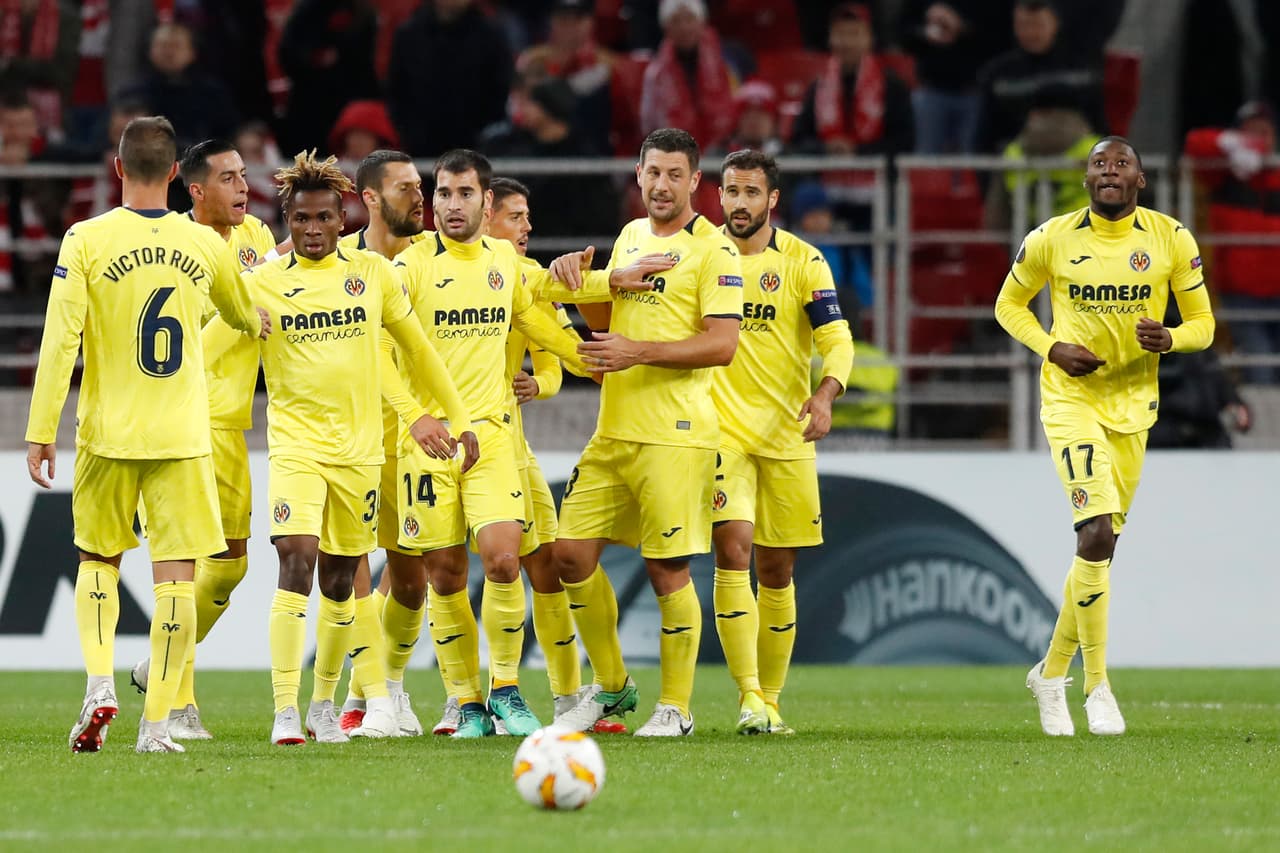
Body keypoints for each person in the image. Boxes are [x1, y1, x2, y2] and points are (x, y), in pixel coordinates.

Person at [203, 150, 475, 745]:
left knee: (338, 579)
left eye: (324, 218)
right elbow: (200, 353)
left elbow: (421, 351)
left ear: (342, 216)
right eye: (300, 220)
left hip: (360, 456)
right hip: (296, 450)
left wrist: (460, 419)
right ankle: (283, 709)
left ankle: (324, 703)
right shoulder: (260, 286)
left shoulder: (372, 277)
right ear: (287, 220)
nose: (312, 230)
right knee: (294, 560)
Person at [25, 115, 268, 754]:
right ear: (174, 176)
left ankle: (100, 683)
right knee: (177, 581)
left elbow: (59, 341)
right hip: (184, 436)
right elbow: (244, 314)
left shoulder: (85, 238)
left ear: (118, 169)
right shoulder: (206, 246)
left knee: (98, 561)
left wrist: (40, 430)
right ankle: (156, 723)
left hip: (108, 433)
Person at [995, 136, 1216, 737]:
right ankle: (1098, 688)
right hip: (1070, 401)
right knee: (1092, 531)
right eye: (1099, 164)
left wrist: (1171, 338)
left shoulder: (1171, 239)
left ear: (1140, 180)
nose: (1109, 171)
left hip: (1134, 406)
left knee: (1101, 549)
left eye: (1121, 164)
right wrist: (1051, 345)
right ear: (1086, 178)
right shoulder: (1052, 237)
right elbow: (1007, 306)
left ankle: (1049, 672)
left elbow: (1203, 325)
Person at [390, 149, 601, 738]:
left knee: (506, 560)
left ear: (486, 201)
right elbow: (380, 353)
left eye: (464, 194)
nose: (452, 206)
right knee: (444, 574)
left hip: (492, 437)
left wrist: (595, 361)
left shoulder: (505, 264)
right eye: (443, 194)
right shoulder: (407, 268)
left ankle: (506, 688)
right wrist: (414, 418)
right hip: (429, 444)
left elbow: (542, 322)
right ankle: (464, 699)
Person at [550, 127, 744, 737]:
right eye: (652, 173)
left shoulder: (715, 251)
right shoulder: (631, 236)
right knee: (570, 554)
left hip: (676, 434)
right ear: (637, 175)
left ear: (694, 182)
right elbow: (610, 322)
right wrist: (581, 285)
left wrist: (640, 351)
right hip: (614, 430)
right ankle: (611, 688)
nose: (661, 185)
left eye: (673, 175)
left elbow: (722, 344)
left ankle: (676, 708)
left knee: (668, 571)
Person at [125, 139, 279, 740]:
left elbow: (275, 282)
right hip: (184, 420)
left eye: (245, 176)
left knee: (232, 565)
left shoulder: (257, 239)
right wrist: (249, 298)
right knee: (187, 565)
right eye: (230, 179)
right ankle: (178, 698)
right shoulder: (176, 247)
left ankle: (153, 667)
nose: (244, 188)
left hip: (232, 421)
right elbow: (198, 336)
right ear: (195, 190)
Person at [711, 149, 854, 734]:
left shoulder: (803, 260)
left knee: (776, 569)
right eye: (729, 191)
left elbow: (837, 339)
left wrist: (825, 395)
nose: (738, 203)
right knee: (733, 547)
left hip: (786, 432)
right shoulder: (700, 253)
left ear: (771, 199)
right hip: (719, 431)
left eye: (749, 193)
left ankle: (769, 700)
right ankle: (747, 695)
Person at [483, 176, 629, 735]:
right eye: (516, 216)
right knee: (425, 573)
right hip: (437, 441)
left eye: (528, 217)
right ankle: (449, 701)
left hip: (508, 444)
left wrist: (537, 387)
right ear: (485, 214)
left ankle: (568, 699)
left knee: (544, 568)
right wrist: (602, 280)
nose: (527, 227)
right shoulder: (468, 271)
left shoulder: (525, 283)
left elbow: (554, 359)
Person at [333, 148, 435, 737]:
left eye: (419, 186)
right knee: (352, 573)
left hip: (416, 444)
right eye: (405, 189)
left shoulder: (434, 257)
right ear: (370, 198)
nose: (419, 197)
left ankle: (386, 688)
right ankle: (368, 698)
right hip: (350, 440)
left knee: (411, 579)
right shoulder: (334, 257)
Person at [1184, 101, 1280, 384]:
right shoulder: (1221, 175)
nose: (1258, 140)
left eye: (1263, 132)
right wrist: (1228, 144)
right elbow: (1194, 144)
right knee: (1258, 368)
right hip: (1242, 293)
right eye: (1249, 133)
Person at [974, 0, 1105, 155]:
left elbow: (1099, 123)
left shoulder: (1081, 69)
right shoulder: (998, 75)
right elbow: (985, 135)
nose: (1030, 33)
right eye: (1023, 25)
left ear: (1055, 24)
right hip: (1018, 172)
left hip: (1076, 172)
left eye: (1038, 25)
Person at [387, 0, 513, 156]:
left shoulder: (490, 36)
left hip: (474, 147)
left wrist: (482, 132)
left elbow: (500, 88)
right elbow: (396, 89)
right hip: (420, 147)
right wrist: (408, 131)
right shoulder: (408, 35)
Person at [639, 0, 737, 153]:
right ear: (666, 28)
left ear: (702, 22)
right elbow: (648, 123)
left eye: (689, 19)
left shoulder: (725, 64)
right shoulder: (655, 74)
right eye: (676, 21)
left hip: (721, 151)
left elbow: (736, 106)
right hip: (675, 153)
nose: (684, 27)